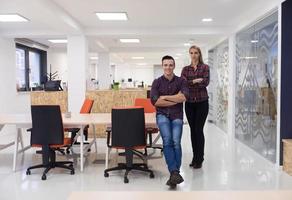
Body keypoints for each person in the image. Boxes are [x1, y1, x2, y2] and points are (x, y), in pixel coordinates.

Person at [150, 55, 189, 188]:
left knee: (176, 142)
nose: (168, 67)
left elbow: (184, 97)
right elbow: (156, 101)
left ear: (174, 66)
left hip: (177, 115)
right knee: (167, 140)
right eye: (165, 65)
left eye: (170, 65)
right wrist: (175, 98)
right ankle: (174, 172)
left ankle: (174, 174)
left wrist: (165, 97)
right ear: (162, 66)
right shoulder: (157, 82)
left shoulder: (181, 81)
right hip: (162, 115)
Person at [181, 45, 209, 169]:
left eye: (196, 52)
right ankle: (194, 157)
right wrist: (195, 81)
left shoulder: (205, 67)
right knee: (192, 131)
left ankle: (200, 158)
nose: (193, 55)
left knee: (199, 130)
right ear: (189, 54)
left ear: (199, 54)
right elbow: (183, 84)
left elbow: (206, 82)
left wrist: (192, 82)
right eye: (191, 53)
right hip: (189, 103)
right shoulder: (185, 69)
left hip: (202, 102)